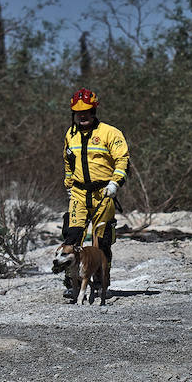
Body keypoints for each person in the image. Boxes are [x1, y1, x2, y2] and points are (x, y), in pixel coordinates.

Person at [61, 88, 129, 298]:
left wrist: (115, 183)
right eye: (79, 112)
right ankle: (73, 283)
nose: (83, 116)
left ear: (94, 111)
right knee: (71, 239)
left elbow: (122, 160)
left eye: (87, 111)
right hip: (79, 194)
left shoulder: (110, 133)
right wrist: (69, 184)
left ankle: (101, 283)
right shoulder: (70, 134)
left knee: (102, 241)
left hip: (103, 194)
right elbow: (67, 161)